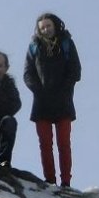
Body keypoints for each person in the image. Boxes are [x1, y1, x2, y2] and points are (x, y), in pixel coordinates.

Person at [23, 12, 81, 187]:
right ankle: (49, 180)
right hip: (41, 102)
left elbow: (75, 70)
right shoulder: (34, 46)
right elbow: (28, 73)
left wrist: (65, 88)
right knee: (45, 144)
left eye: (48, 26)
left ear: (55, 25)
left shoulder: (66, 43)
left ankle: (65, 182)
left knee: (64, 143)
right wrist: (38, 90)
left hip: (63, 100)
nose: (46, 29)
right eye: (42, 28)